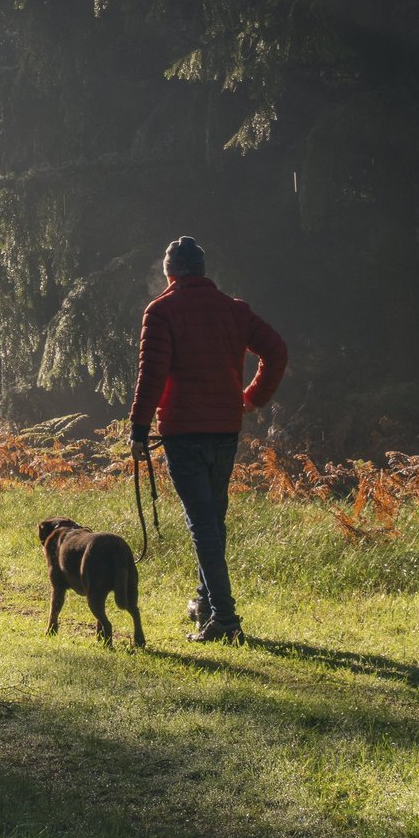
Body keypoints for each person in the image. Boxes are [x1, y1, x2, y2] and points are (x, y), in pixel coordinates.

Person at [128, 236, 287, 644]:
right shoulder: (234, 310)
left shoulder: (161, 311)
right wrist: (252, 398)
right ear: (201, 270)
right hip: (225, 428)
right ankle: (204, 603)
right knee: (213, 519)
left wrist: (139, 429)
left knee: (203, 523)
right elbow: (276, 352)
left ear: (170, 273)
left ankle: (225, 620)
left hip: (183, 432)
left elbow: (152, 375)